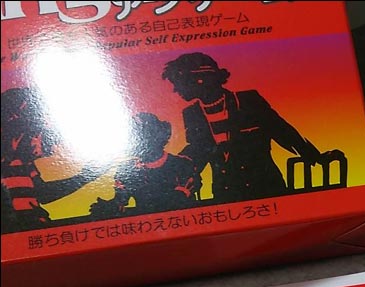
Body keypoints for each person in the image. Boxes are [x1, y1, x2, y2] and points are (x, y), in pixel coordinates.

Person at [161, 52, 322, 202]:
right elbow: (198, 150)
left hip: (266, 188)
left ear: (200, 79)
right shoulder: (192, 113)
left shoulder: (248, 101)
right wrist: (173, 167)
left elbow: (282, 130)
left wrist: (313, 155)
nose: (176, 89)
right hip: (226, 193)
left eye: (179, 82)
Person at [1, 87, 102, 233]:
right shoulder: (11, 166)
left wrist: (86, 175)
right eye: (40, 133)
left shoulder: (23, 166)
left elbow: (43, 193)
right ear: (21, 131)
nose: (48, 144)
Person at [90, 112, 201, 219]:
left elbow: (184, 198)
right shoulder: (128, 169)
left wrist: (180, 195)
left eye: (142, 135)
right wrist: (109, 206)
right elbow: (120, 199)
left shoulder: (182, 164)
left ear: (157, 136)